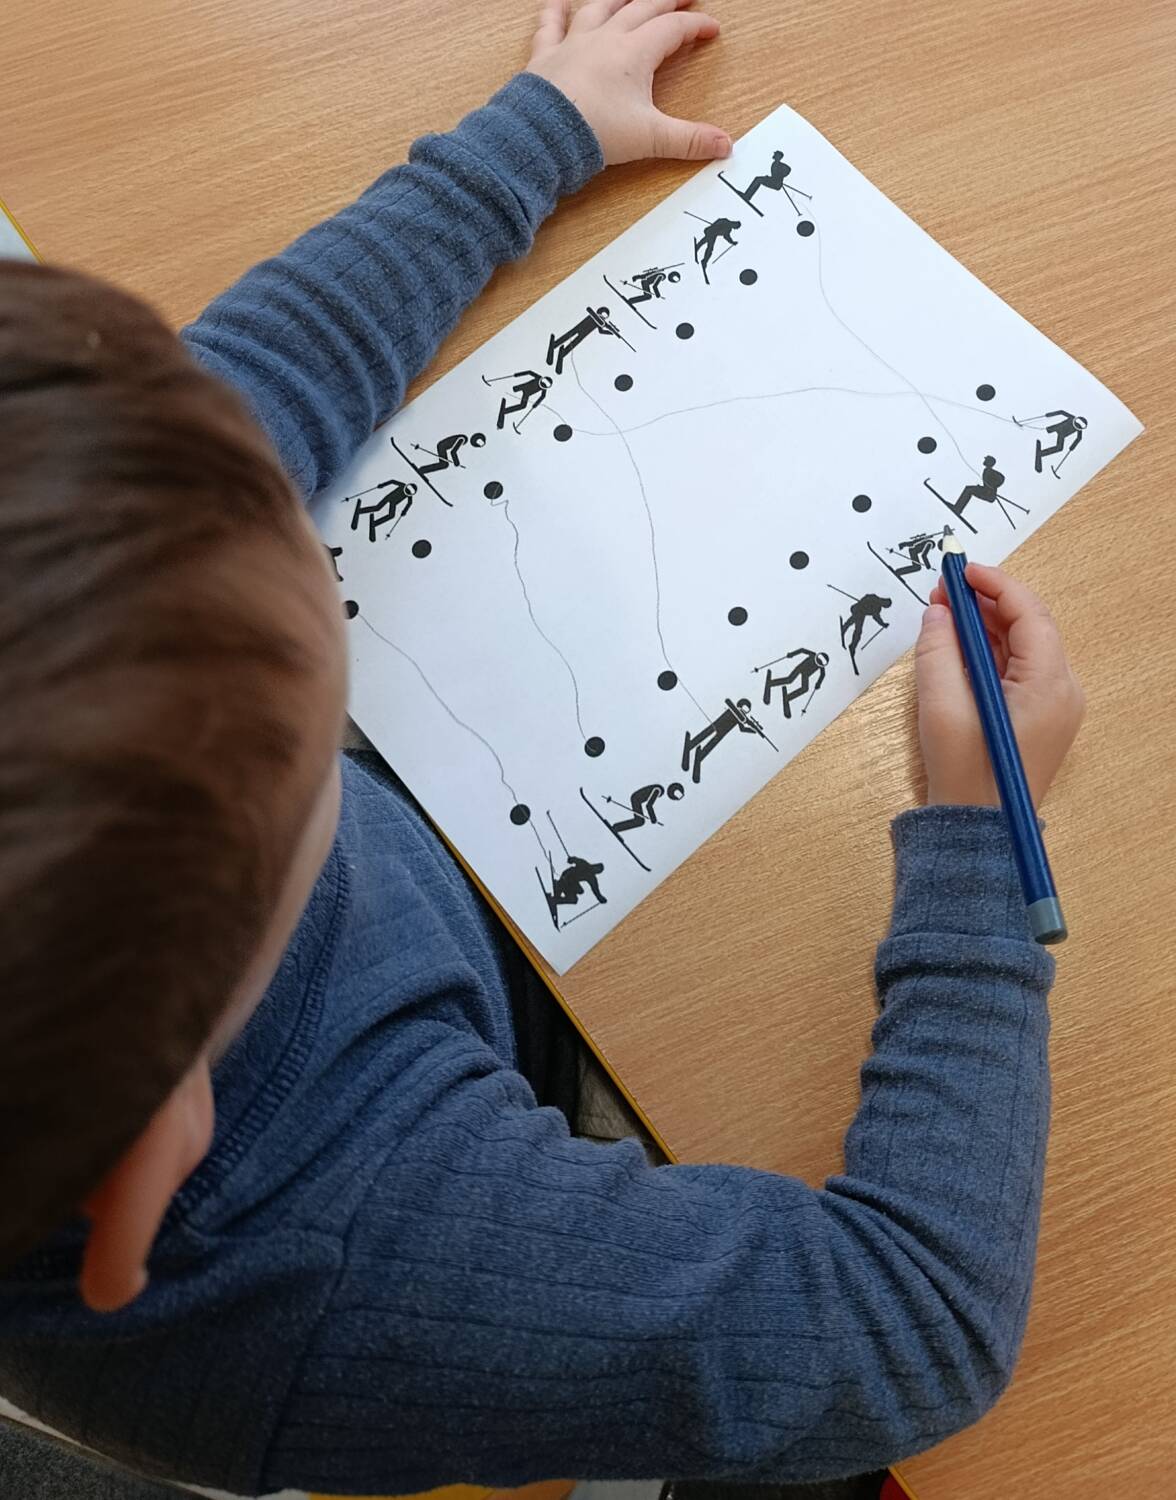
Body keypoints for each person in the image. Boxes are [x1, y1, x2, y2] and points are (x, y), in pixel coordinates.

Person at [0, 2, 1085, 1497]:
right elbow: (913, 1326)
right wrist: (979, 841)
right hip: (491, 1117)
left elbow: (236, 409)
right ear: (154, 1162)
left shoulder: (74, 655)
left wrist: (525, 146)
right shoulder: (326, 1275)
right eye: (303, 743)